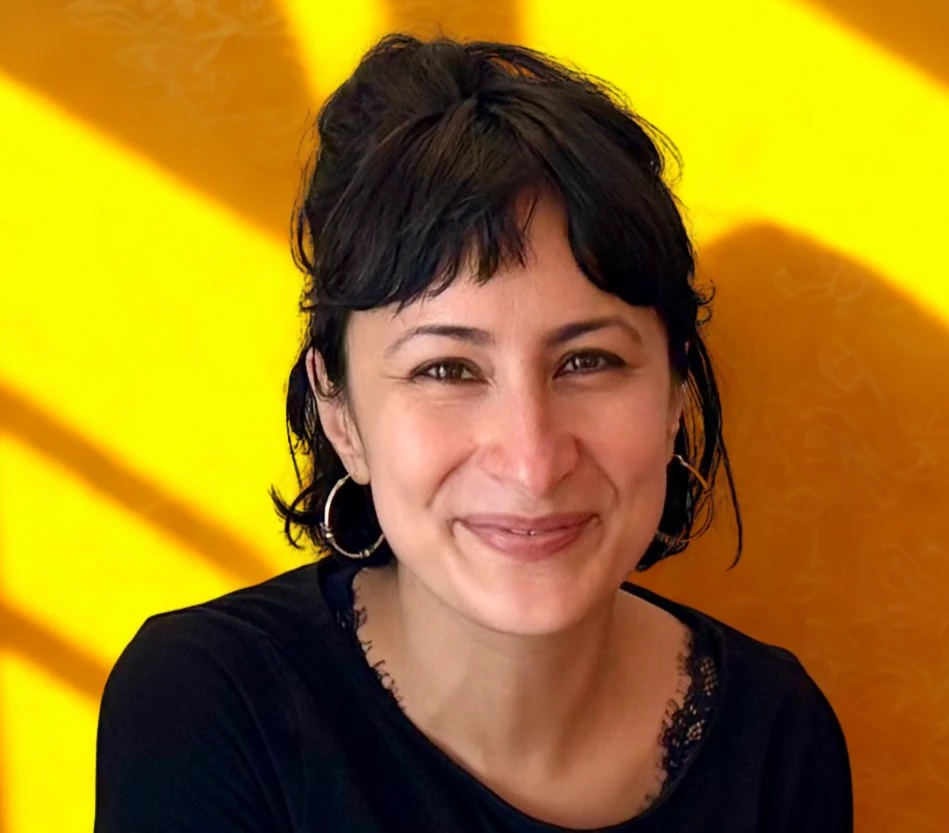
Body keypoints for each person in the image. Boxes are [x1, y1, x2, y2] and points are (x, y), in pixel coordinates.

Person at [93, 32, 853, 833]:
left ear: (674, 396)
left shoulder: (777, 734)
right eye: (447, 369)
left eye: (587, 360)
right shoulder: (210, 704)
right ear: (340, 414)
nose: (532, 460)